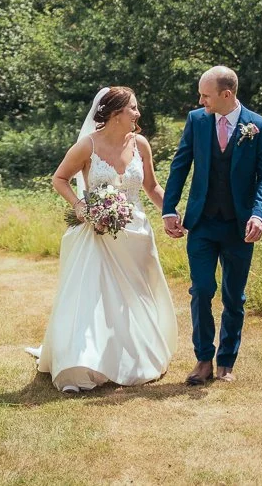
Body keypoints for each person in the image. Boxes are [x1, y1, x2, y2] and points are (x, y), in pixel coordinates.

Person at [28, 86, 179, 393]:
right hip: (98, 233)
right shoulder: (87, 146)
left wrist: (173, 214)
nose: (138, 113)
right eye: (133, 108)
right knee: (96, 298)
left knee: (134, 297)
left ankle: (134, 357)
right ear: (115, 114)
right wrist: (81, 207)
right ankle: (86, 360)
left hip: (136, 234)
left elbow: (151, 187)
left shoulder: (140, 144)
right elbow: (59, 178)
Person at [161, 66, 262, 385]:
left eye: (205, 95)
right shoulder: (196, 121)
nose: (200, 101)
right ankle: (202, 360)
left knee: (233, 296)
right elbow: (181, 164)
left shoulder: (259, 126)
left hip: (240, 226)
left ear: (227, 95)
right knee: (201, 290)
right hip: (201, 223)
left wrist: (259, 214)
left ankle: (226, 361)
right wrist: (169, 207)